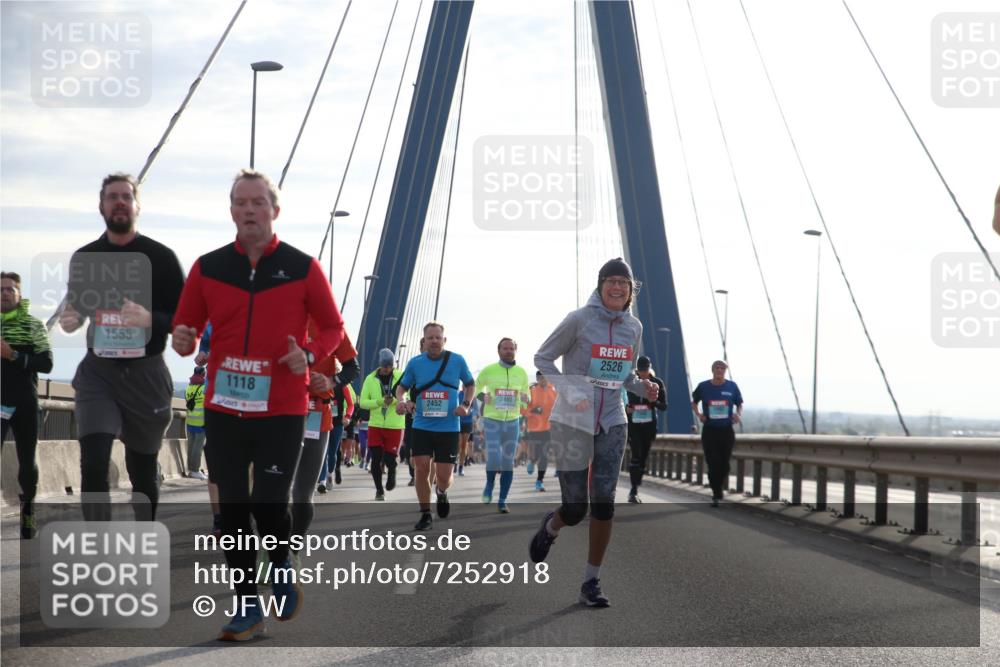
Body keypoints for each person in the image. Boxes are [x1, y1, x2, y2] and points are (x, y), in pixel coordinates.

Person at [172, 169, 346, 641]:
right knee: (231, 512)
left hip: (283, 409)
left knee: (270, 507)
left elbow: (333, 328)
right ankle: (248, 605)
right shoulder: (208, 268)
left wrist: (307, 354)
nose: (248, 210)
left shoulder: (303, 266)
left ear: (275, 210)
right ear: (231, 210)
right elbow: (186, 333)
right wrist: (183, 338)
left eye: (257, 202)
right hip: (225, 408)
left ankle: (283, 561)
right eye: (239, 202)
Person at [529, 258, 659, 608]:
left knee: (604, 502)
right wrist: (570, 391)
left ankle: (591, 581)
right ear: (601, 285)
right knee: (575, 508)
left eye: (624, 283)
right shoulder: (579, 320)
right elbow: (543, 358)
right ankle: (551, 527)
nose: (617, 288)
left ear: (632, 290)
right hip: (572, 420)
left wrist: (642, 388)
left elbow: (624, 375)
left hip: (613, 420)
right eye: (611, 281)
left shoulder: (634, 327)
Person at [59, 173, 185, 523]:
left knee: (142, 470)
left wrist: (150, 320)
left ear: (136, 205)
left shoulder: (161, 257)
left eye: (125, 196)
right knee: (95, 462)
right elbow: (78, 309)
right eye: (112, 196)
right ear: (101, 206)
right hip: (99, 372)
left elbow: (186, 320)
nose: (119, 202)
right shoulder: (85, 257)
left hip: (146, 372)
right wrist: (73, 319)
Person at [395, 322, 475, 531]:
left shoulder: (457, 360)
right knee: (421, 468)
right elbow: (401, 388)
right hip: (422, 424)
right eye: (430, 338)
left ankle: (441, 491)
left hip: (448, 427)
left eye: (437, 338)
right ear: (424, 340)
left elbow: (470, 384)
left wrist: (466, 405)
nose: (434, 341)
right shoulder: (415, 363)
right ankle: (425, 514)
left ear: (444, 340)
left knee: (444, 476)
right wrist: (402, 401)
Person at [1, 271, 53, 538]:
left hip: (25, 403)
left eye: (10, 289)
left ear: (19, 295)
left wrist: (14, 355)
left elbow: (46, 364)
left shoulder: (34, 326)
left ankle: (29, 509)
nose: (5, 293)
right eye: (1, 289)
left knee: (27, 463)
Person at [477, 337, 530, 513]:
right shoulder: (489, 370)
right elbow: (475, 388)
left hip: (512, 421)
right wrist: (482, 397)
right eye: (505, 348)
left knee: (508, 462)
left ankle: (502, 500)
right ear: (499, 351)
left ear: (515, 351)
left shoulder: (522, 373)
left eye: (511, 348)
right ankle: (489, 484)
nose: (508, 351)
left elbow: (527, 398)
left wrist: (525, 399)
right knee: (493, 458)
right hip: (492, 420)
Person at [691, 360, 743, 507]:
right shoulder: (703, 386)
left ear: (725, 371)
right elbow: (694, 402)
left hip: (726, 430)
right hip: (710, 431)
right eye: (717, 368)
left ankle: (718, 487)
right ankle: (716, 492)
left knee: (725, 464)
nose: (719, 370)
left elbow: (740, 403)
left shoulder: (732, 387)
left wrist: (738, 414)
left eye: (722, 368)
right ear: (712, 370)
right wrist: (699, 415)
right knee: (713, 462)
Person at [359, 348, 405, 500]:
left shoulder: (400, 376)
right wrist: (379, 402)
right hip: (376, 425)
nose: (386, 369)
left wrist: (394, 401)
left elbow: (409, 396)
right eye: (384, 366)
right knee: (376, 458)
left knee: (390, 459)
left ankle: (392, 471)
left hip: (395, 425)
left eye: (389, 366)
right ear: (380, 364)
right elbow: (363, 402)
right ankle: (379, 490)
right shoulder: (370, 378)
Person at [625, 356, 667, 504]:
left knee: (642, 459)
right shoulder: (631, 383)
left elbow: (664, 406)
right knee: (636, 456)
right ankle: (633, 490)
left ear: (649, 369)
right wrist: (627, 409)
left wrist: (653, 402)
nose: (643, 373)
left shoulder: (657, 383)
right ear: (637, 369)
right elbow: (623, 401)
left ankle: (635, 486)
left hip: (649, 427)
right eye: (640, 370)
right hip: (634, 426)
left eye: (645, 370)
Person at [316, 363, 355, 492]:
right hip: (322, 422)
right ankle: (322, 480)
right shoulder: (320, 383)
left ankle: (329, 474)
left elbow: (350, 404)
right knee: (323, 451)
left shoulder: (342, 386)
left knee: (332, 452)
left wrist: (348, 416)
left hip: (337, 423)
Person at [525, 371, 557, 492]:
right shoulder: (531, 392)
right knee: (537, 453)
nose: (544, 380)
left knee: (544, 455)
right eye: (542, 378)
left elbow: (559, 407)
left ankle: (539, 481)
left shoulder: (553, 390)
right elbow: (522, 409)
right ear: (538, 379)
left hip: (549, 428)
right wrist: (533, 411)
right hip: (535, 428)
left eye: (546, 378)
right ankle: (532, 461)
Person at [184, 366, 208, 480]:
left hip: (190, 421)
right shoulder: (204, 387)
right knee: (197, 448)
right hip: (201, 421)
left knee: (191, 446)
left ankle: (190, 469)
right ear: (203, 374)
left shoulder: (189, 387)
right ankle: (195, 470)